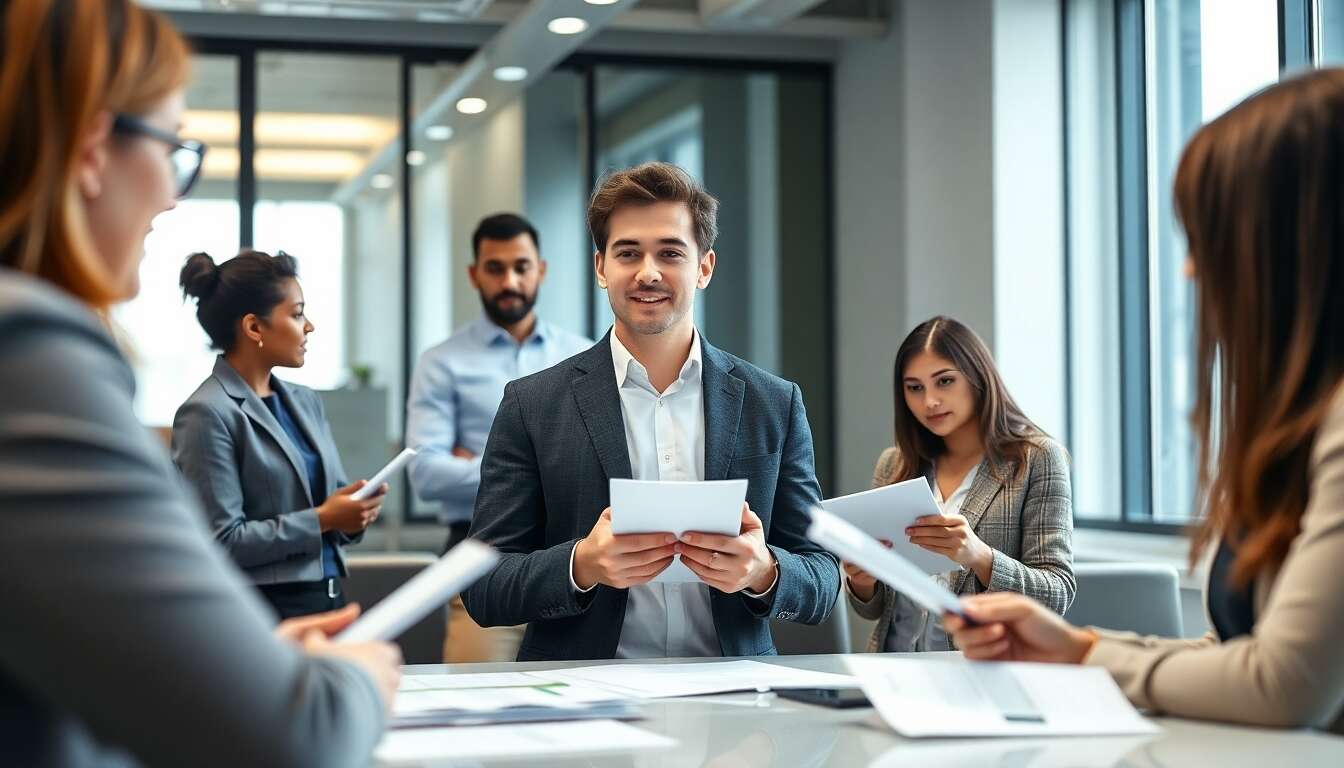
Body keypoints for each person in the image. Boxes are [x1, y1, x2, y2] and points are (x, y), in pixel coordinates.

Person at [0, 1, 399, 764]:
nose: (172, 194)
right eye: (173, 147)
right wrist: (345, 685)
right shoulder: (28, 352)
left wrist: (243, 664)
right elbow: (292, 736)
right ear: (92, 147)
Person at [945, 68, 1344, 733]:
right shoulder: (1303, 425)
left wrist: (1087, 655)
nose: (1190, 269)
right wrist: (1077, 651)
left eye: (1206, 237)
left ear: (1293, 244)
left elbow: (1285, 686)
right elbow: (1244, 658)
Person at [461, 161, 839, 660]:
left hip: (736, 701)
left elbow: (823, 577)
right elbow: (484, 586)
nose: (648, 272)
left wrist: (763, 570)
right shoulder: (532, 406)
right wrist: (582, 565)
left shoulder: (773, 403)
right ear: (601, 268)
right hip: (587, 700)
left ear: (704, 267)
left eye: (670, 252)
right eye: (628, 253)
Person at [406, 212, 591, 661]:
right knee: (477, 715)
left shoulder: (584, 355)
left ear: (541, 270)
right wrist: (538, 471)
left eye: (521, 266)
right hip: (478, 560)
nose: (510, 280)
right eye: (495, 268)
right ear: (474, 275)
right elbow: (426, 473)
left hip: (576, 561)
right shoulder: (442, 362)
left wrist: (483, 466)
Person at [172, 250, 387, 619]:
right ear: (255, 327)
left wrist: (354, 513)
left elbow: (331, 506)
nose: (309, 326)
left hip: (330, 595)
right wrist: (325, 518)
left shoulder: (305, 402)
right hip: (260, 609)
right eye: (297, 313)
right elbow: (221, 541)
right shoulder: (207, 412)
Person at [844, 317, 1074, 652]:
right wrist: (863, 581)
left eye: (945, 381)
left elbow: (1057, 593)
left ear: (977, 377)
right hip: (893, 669)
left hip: (984, 670)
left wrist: (979, 556)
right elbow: (875, 608)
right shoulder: (894, 464)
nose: (930, 402)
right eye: (915, 388)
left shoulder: (1036, 459)